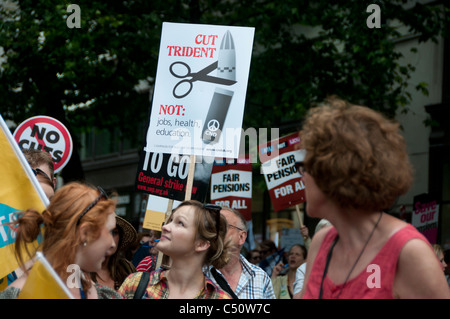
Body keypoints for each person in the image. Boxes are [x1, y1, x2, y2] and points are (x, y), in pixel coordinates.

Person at [297, 97, 450, 299]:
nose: (302, 176)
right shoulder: (321, 243)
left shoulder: (409, 252)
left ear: (334, 173)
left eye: (305, 167)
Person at [0, 182, 122, 299]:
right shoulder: (17, 295)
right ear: (85, 233)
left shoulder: (104, 295)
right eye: (110, 232)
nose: (112, 244)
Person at [119, 200, 232, 299]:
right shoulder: (136, 284)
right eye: (171, 220)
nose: (165, 227)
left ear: (201, 244)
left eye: (180, 223)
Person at [204, 206, 275, 299]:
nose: (216, 232)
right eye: (213, 227)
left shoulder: (260, 277)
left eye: (223, 226)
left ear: (241, 237)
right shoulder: (199, 273)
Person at [91, 216, 137, 290]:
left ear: (120, 238)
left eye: (113, 232)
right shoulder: (77, 270)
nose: (109, 239)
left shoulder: (126, 268)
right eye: (102, 232)